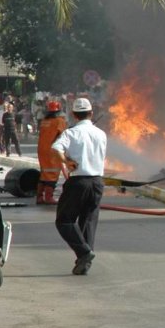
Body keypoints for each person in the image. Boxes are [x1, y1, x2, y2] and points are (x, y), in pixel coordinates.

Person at [51, 97, 107, 276]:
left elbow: (55, 149)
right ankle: (84, 261)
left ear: (74, 115)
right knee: (88, 221)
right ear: (91, 113)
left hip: (78, 182)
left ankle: (84, 253)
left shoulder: (70, 133)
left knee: (64, 220)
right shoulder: (101, 134)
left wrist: (67, 161)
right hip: (97, 182)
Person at [37, 101, 68, 205]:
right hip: (52, 150)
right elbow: (64, 135)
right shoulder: (60, 121)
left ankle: (39, 197)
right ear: (58, 110)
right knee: (52, 173)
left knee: (44, 173)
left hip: (41, 149)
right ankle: (48, 197)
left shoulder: (44, 121)